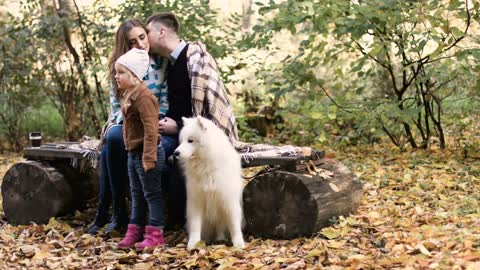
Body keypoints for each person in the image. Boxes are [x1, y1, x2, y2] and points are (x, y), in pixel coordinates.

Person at [144, 12, 239, 230]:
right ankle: (155, 217)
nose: (145, 38)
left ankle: (173, 220)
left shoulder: (195, 58)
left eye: (147, 32)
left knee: (170, 158)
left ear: (161, 31)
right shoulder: (169, 64)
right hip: (175, 133)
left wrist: (176, 126)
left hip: (195, 135)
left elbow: (207, 108)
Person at [87, 19, 170, 235]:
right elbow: (116, 108)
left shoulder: (161, 63)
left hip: (153, 121)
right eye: (133, 42)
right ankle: (115, 212)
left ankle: (107, 213)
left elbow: (163, 102)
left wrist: (149, 120)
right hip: (128, 123)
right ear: (126, 46)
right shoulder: (121, 67)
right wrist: (128, 121)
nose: (141, 44)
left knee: (111, 144)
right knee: (113, 139)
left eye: (142, 37)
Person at [115, 48, 166, 250]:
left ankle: (156, 233)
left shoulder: (144, 97)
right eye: (116, 72)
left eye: (121, 73)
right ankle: (135, 230)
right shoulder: (130, 94)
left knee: (151, 194)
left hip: (147, 153)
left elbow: (151, 130)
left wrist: (149, 157)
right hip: (133, 153)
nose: (116, 77)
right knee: (136, 193)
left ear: (134, 75)